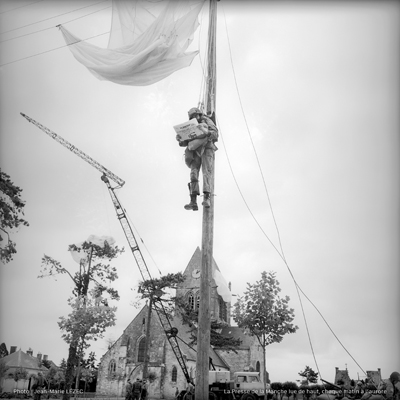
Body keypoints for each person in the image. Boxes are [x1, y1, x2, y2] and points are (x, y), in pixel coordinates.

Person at [176, 107, 218, 211]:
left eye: (196, 116)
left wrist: (206, 131)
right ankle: (193, 201)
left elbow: (215, 133)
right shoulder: (192, 124)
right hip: (196, 150)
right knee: (193, 173)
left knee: (206, 172)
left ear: (199, 114)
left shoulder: (206, 121)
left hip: (207, 148)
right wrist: (180, 139)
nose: (195, 118)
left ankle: (207, 197)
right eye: (192, 117)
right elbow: (185, 141)